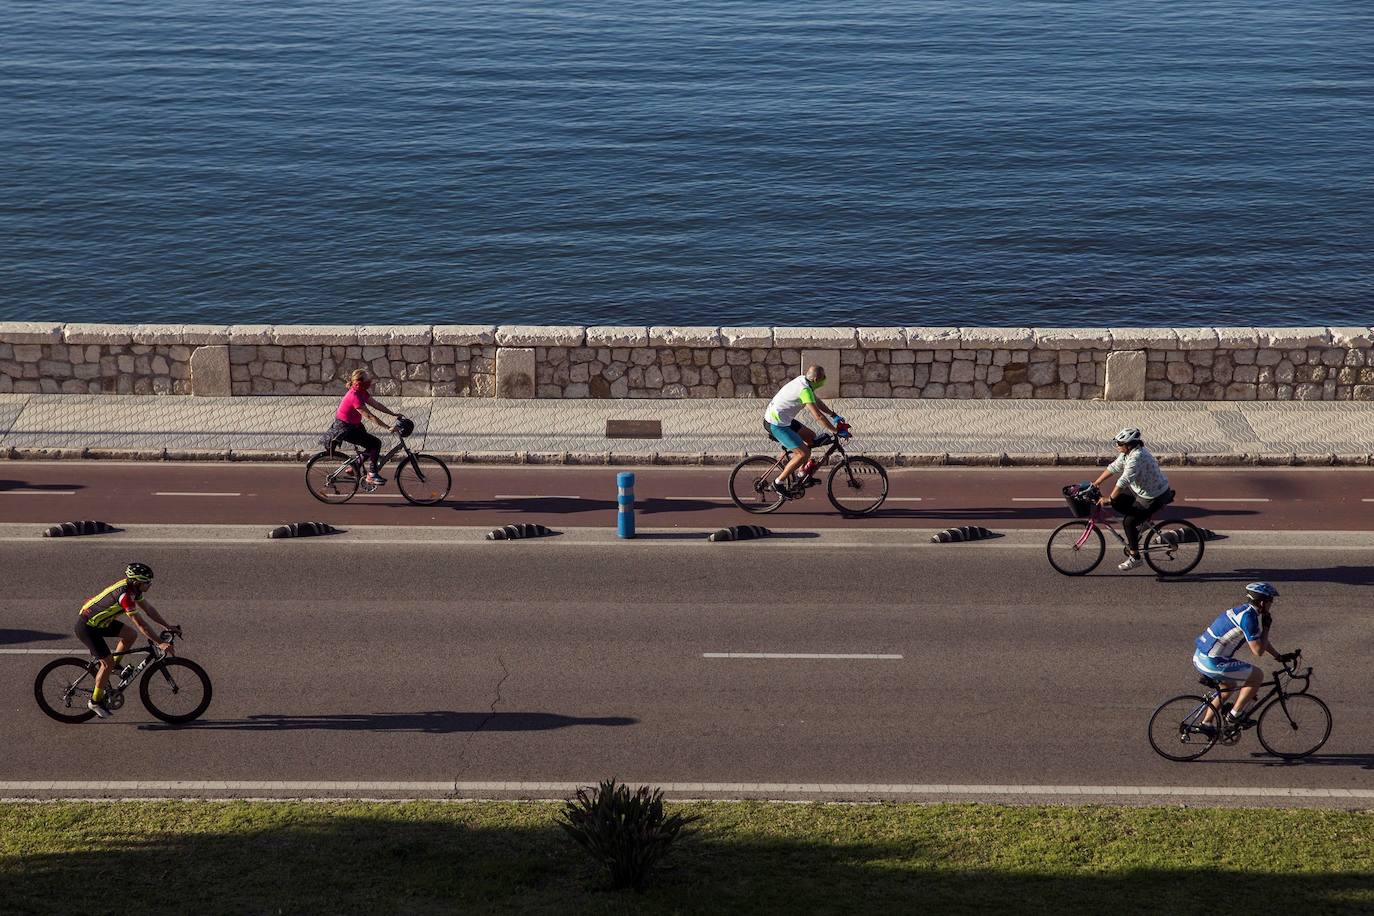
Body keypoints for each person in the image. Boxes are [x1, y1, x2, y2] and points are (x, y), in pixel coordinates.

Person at [76, 563, 178, 719]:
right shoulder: (125, 596)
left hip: (101, 622)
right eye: (147, 582)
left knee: (130, 635)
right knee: (106, 663)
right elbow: (141, 624)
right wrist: (160, 643)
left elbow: (149, 610)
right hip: (88, 627)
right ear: (137, 582)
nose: (150, 585)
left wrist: (167, 625)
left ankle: (116, 665)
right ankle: (95, 701)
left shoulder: (134, 589)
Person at [1192, 582, 1296, 734]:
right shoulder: (1249, 618)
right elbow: (1258, 650)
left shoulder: (1245, 611)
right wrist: (1267, 627)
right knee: (1257, 676)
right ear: (1262, 602)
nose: (1272, 604)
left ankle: (1206, 723)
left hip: (1201, 656)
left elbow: (1260, 640)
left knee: (1229, 686)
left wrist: (1278, 656)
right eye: (1271, 601)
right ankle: (1234, 716)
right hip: (1212, 662)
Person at [1091, 427, 1172, 571]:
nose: (1117, 446)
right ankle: (1142, 524)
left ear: (1128, 445)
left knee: (1128, 522)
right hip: (1140, 491)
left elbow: (1123, 481)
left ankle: (1135, 558)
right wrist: (1096, 482)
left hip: (1154, 495)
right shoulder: (1128, 453)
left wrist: (1109, 499)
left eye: (1120, 444)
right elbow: (1114, 467)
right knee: (1119, 502)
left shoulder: (1136, 458)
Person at [763, 365, 842, 493]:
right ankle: (778, 483)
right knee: (804, 453)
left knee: (811, 436)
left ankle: (802, 474)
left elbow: (816, 401)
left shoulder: (803, 380)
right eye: (823, 378)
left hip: (782, 419)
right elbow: (818, 416)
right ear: (816, 380)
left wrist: (833, 415)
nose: (825, 380)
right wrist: (835, 431)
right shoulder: (804, 390)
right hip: (776, 424)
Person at [321, 369, 400, 486]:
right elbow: (369, 415)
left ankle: (354, 467)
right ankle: (372, 474)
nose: (370, 382)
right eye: (367, 380)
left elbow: (376, 405)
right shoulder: (354, 395)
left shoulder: (362, 392)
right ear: (360, 382)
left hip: (354, 425)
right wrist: (387, 427)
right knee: (376, 443)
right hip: (345, 428)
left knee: (370, 446)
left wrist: (393, 414)